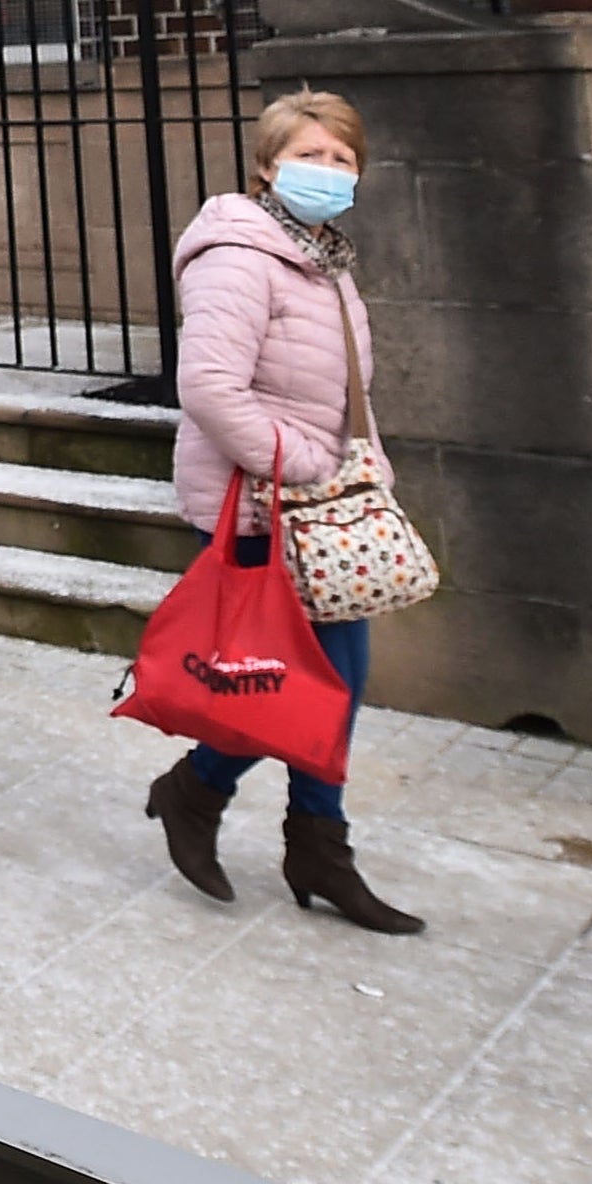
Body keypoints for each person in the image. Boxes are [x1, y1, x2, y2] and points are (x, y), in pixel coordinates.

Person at [141, 88, 426, 935]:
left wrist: (358, 464)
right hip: (262, 503)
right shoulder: (241, 254)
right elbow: (208, 388)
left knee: (332, 681)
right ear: (267, 166)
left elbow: (336, 390)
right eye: (309, 156)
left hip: (320, 506)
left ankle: (301, 836)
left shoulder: (319, 255)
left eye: (343, 160)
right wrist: (305, 462)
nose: (328, 172)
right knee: (306, 683)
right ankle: (209, 795)